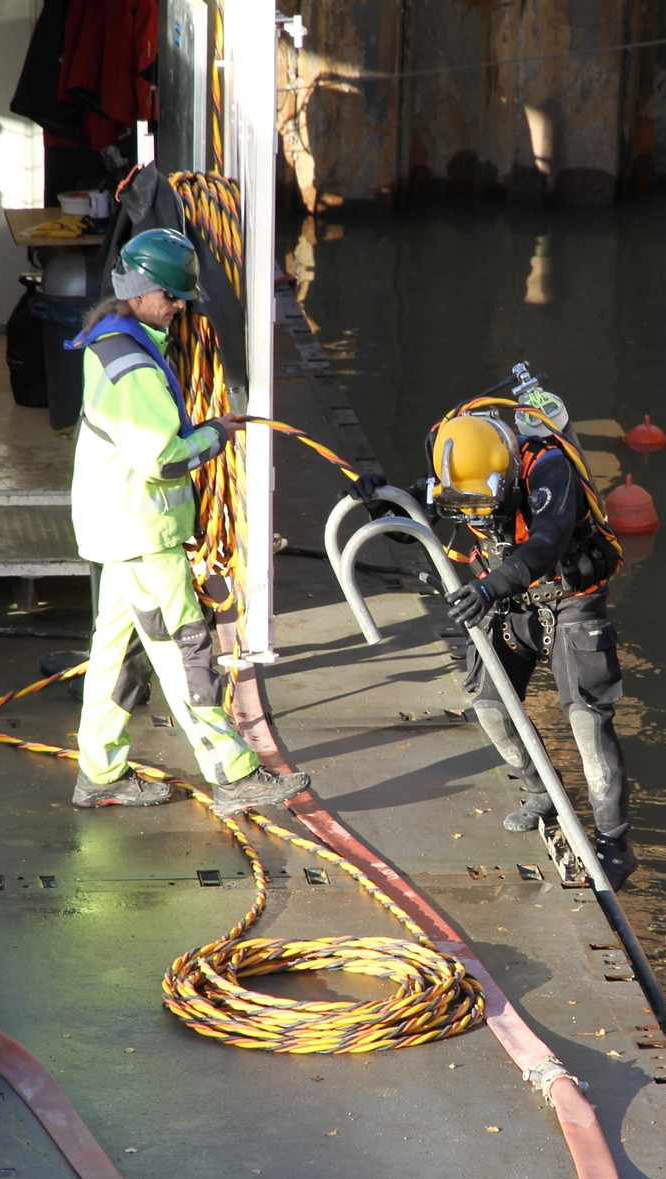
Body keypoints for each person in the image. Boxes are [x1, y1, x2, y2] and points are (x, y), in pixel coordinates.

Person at [351, 377, 636, 887]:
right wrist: (378, 499)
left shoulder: (549, 468)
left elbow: (547, 540)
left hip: (568, 597)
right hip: (508, 599)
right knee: (489, 705)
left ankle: (614, 842)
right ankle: (541, 793)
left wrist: (487, 590)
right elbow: (409, 516)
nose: (477, 517)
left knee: (588, 721)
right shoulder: (455, 470)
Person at [65, 227, 309, 814]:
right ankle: (234, 775)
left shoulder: (113, 339)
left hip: (118, 527)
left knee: (116, 655)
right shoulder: (135, 366)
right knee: (187, 652)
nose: (177, 309)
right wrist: (214, 436)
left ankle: (99, 772)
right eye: (172, 298)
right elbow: (161, 456)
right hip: (143, 531)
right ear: (142, 290)